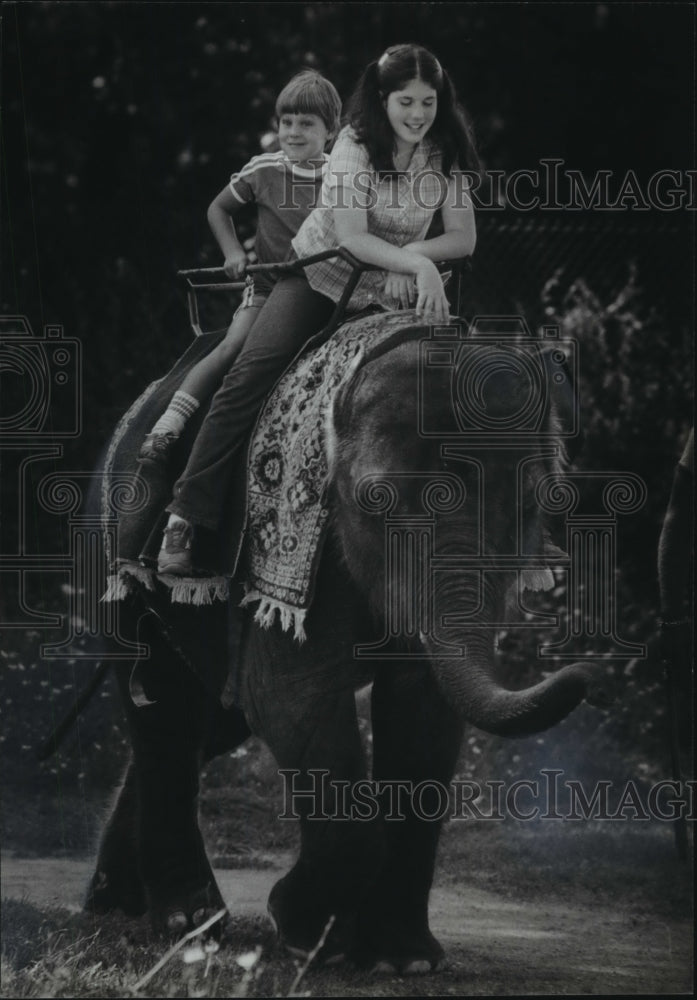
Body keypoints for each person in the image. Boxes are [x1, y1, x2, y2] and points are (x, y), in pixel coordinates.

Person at [158, 43, 479, 577]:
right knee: (250, 373)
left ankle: (484, 531)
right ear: (383, 98)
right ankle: (186, 516)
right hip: (322, 277)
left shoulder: (445, 147)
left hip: (393, 291)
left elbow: (463, 237)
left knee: (456, 382)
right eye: (406, 101)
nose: (418, 114)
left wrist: (413, 260)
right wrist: (417, 264)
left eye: (429, 101)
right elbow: (351, 238)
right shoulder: (354, 143)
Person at [137, 70, 341, 468]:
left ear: (331, 131)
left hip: (323, 288)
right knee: (234, 346)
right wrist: (233, 252)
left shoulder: (342, 176)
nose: (293, 132)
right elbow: (218, 208)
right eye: (286, 122)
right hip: (268, 286)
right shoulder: (264, 169)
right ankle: (167, 426)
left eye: (306, 124)